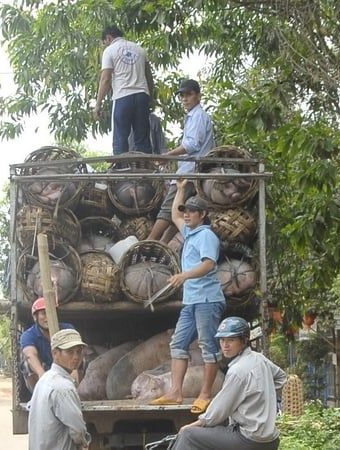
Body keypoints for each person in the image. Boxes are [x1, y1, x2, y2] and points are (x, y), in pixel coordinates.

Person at [149, 184, 225, 415]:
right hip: (191, 301)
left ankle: (205, 394)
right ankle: (175, 392)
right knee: (178, 344)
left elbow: (209, 264)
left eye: (191, 211)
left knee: (208, 347)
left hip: (207, 300)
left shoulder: (206, 236)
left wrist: (184, 275)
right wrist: (180, 188)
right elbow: (173, 214)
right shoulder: (189, 232)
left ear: (202, 215)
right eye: (186, 211)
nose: (186, 214)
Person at [171, 317, 287, 450]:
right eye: (222, 340)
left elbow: (220, 408)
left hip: (248, 439)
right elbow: (281, 378)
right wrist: (261, 392)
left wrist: (196, 423)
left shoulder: (237, 371)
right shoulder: (259, 359)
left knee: (188, 435)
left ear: (243, 341)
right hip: (270, 440)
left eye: (231, 340)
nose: (225, 345)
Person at [147, 79, 215, 242]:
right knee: (179, 212)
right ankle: (162, 243)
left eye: (189, 95)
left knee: (167, 209)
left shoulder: (198, 116)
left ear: (198, 96)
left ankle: (149, 242)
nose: (185, 99)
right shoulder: (193, 117)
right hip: (191, 170)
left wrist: (168, 156)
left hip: (189, 172)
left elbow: (192, 144)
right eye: (182, 96)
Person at [93, 25, 154, 155]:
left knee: (120, 139)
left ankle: (120, 171)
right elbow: (149, 77)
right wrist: (150, 98)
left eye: (104, 43)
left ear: (108, 38)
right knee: (143, 139)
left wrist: (98, 104)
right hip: (142, 95)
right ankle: (146, 171)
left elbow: (105, 79)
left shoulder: (110, 51)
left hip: (123, 97)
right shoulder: (139, 49)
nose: (105, 46)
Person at [28, 329, 91, 450]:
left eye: (78, 352)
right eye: (69, 352)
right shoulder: (63, 388)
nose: (76, 357)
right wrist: (84, 443)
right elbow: (77, 430)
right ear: (55, 353)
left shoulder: (44, 379)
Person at [20, 297, 74, 392]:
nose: (48, 317)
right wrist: (43, 376)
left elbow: (74, 353)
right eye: (44, 313)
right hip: (43, 373)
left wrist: (73, 378)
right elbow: (31, 355)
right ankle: (39, 394)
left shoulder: (67, 329)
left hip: (65, 370)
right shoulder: (28, 335)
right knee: (27, 364)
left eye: (51, 312)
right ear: (35, 317)